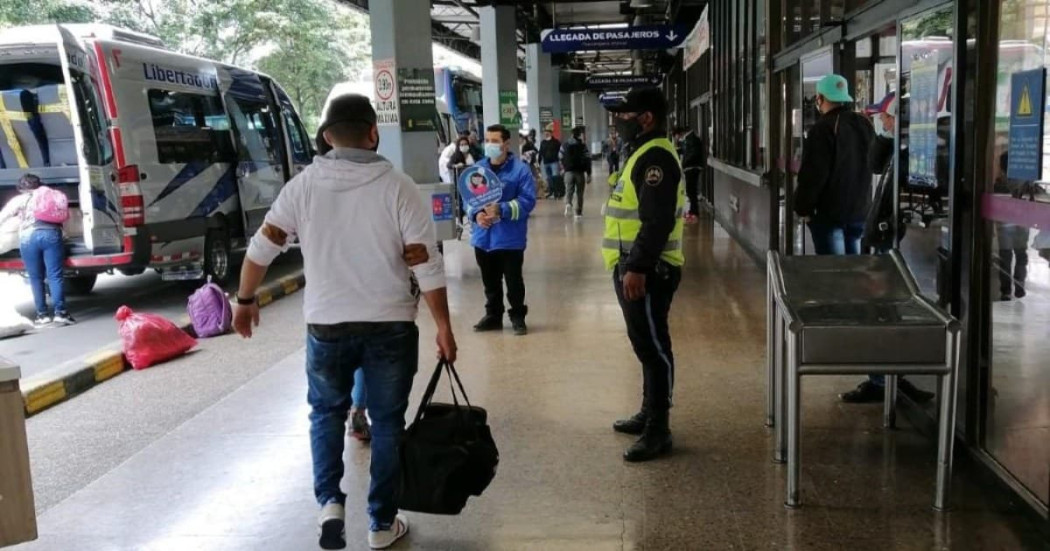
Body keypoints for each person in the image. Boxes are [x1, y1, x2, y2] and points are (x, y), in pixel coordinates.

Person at [234, 94, 457, 551]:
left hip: (327, 325)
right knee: (389, 423)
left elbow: (262, 248)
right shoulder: (398, 186)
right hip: (390, 323)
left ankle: (329, 504)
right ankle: (380, 523)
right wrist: (444, 327)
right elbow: (425, 262)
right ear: (373, 133)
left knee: (326, 414)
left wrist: (244, 299)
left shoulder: (302, 187)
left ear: (327, 137)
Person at [603, 88, 686, 462]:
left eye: (624, 115)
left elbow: (657, 222)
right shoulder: (640, 152)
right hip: (633, 266)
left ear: (646, 118)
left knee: (654, 349)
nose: (618, 122)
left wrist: (637, 267)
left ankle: (659, 429)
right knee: (644, 345)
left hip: (649, 270)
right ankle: (648, 411)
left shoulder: (655, 157)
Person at [840, 92, 933, 405]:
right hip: (883, 240)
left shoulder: (917, 155)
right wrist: (886, 137)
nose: (881, 121)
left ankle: (890, 378)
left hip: (899, 243)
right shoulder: (898, 150)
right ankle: (882, 379)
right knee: (880, 314)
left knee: (888, 315)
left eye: (887, 117)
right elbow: (874, 164)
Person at [794, 74, 875, 256]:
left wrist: (802, 207)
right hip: (860, 210)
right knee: (854, 266)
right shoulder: (864, 124)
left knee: (834, 270)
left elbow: (814, 174)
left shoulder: (822, 129)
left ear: (820, 98)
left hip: (829, 214)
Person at [470, 124, 537, 336]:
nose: (490, 145)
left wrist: (503, 209)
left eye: (495, 141)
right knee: (489, 281)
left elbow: (528, 201)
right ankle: (493, 315)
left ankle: (517, 316)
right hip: (483, 237)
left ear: (507, 144)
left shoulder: (520, 170)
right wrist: (476, 214)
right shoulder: (478, 169)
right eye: (487, 140)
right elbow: (468, 198)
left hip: (510, 238)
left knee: (513, 281)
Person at [0, 174, 74, 326]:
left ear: (21, 188)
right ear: (39, 184)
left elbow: (3, 217)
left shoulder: (18, 200)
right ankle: (61, 313)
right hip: (51, 234)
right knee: (55, 275)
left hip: (28, 237)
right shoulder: (50, 195)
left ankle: (42, 315)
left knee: (35, 277)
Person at [674, 126, 704, 223]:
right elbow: (687, 151)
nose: (677, 139)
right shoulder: (689, 139)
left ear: (679, 133)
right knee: (690, 190)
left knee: (691, 190)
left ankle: (694, 212)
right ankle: (692, 211)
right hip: (690, 167)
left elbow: (693, 153)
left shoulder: (692, 139)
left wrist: (685, 163)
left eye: (676, 136)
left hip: (692, 168)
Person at [561, 126, 590, 219]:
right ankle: (578, 212)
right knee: (580, 193)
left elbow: (560, 156)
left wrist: (564, 167)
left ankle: (568, 203)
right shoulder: (583, 146)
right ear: (579, 135)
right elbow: (587, 159)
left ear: (571, 134)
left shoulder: (565, 145)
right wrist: (589, 173)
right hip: (580, 172)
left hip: (568, 172)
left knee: (569, 190)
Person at [539, 129, 563, 199]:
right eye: (545, 133)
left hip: (554, 162)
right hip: (546, 162)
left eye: (547, 133)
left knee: (555, 177)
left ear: (551, 134)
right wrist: (539, 160)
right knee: (549, 178)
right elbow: (541, 152)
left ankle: (557, 192)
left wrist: (561, 161)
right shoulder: (543, 142)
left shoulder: (556, 142)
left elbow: (560, 151)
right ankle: (551, 191)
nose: (546, 134)